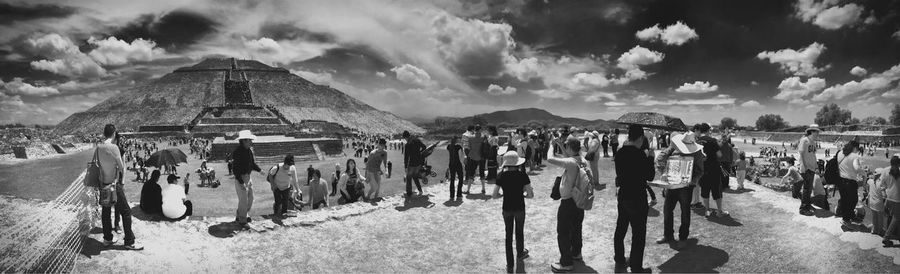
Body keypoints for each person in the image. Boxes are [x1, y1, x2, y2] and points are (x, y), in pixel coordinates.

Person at [613, 125, 654, 273]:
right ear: (641, 138)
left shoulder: (619, 152)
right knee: (638, 233)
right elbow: (650, 176)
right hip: (637, 197)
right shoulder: (640, 155)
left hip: (623, 195)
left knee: (621, 228)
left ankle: (619, 258)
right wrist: (650, 158)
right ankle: (636, 267)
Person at [655, 132, 704, 250]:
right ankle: (668, 235)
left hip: (686, 187)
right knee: (667, 209)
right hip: (672, 184)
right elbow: (660, 158)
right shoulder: (674, 148)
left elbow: (700, 170)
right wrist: (663, 173)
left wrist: (692, 180)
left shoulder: (697, 153)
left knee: (685, 211)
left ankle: (683, 237)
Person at [96, 124, 142, 250]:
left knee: (106, 212)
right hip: (114, 185)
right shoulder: (114, 147)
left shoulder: (98, 147)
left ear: (104, 133)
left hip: (103, 184)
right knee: (126, 212)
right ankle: (129, 241)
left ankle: (107, 238)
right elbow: (121, 167)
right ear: (114, 133)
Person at [547, 137, 587, 272]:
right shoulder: (581, 159)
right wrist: (560, 145)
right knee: (576, 228)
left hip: (568, 202)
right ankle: (576, 253)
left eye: (566, 146)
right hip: (579, 200)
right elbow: (568, 157)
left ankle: (566, 263)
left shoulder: (570, 162)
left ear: (570, 147)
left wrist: (551, 146)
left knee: (563, 232)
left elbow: (550, 159)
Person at [492, 151, 533, 273]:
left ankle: (510, 264)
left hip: (507, 208)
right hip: (520, 207)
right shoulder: (523, 175)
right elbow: (530, 194)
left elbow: (494, 195)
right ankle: (520, 253)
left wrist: (503, 195)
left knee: (508, 235)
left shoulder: (501, 176)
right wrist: (524, 195)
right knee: (519, 231)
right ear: (517, 163)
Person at [696, 123, 727, 217]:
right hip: (713, 168)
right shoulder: (712, 140)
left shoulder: (697, 141)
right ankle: (719, 211)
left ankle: (707, 210)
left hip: (702, 169)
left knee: (704, 190)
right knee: (716, 190)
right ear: (708, 130)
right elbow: (719, 155)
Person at [232, 130, 262, 227]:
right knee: (243, 199)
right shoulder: (237, 152)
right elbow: (235, 169)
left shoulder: (249, 151)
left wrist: (259, 170)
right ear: (244, 141)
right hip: (240, 177)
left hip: (248, 177)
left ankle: (241, 214)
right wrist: (241, 182)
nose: (251, 142)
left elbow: (252, 164)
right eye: (249, 140)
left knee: (250, 198)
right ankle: (242, 220)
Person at [837, 141, 864, 226]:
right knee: (853, 200)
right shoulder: (854, 156)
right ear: (855, 148)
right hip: (850, 181)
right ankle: (846, 219)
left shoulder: (840, 153)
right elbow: (856, 168)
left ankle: (848, 216)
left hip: (840, 180)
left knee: (845, 200)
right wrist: (864, 173)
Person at [797, 124, 821, 216]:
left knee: (809, 188)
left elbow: (813, 155)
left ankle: (806, 205)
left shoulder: (813, 142)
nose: (818, 133)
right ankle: (803, 209)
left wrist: (816, 167)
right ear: (812, 131)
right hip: (806, 168)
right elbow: (801, 154)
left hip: (811, 168)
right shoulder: (804, 140)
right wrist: (803, 166)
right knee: (807, 189)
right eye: (817, 132)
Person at [881, 155, 900, 247]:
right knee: (896, 218)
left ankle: (895, 235)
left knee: (893, 218)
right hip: (896, 199)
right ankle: (886, 237)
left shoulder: (885, 170)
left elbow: (882, 184)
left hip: (889, 198)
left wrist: (884, 193)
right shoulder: (893, 171)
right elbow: (882, 184)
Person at [403, 131, 426, 197]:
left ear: (406, 137)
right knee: (415, 177)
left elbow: (406, 157)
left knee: (409, 178)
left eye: (405, 138)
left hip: (411, 164)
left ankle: (409, 193)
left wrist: (405, 166)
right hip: (418, 163)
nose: (405, 139)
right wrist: (419, 153)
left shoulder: (407, 144)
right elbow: (424, 147)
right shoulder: (417, 140)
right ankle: (420, 191)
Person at [466, 125, 488, 194]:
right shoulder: (484, 137)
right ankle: (483, 189)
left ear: (474, 130)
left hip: (473, 157)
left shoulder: (470, 137)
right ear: (480, 129)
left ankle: (468, 190)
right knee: (482, 173)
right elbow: (487, 146)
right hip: (482, 157)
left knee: (471, 173)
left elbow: (468, 148)